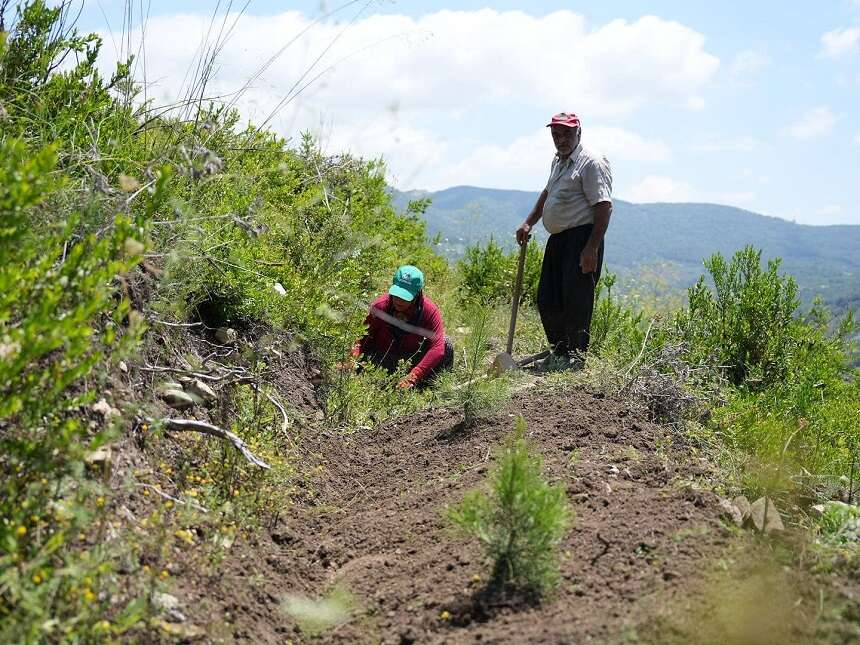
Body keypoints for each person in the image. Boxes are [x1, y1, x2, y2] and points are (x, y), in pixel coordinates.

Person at [516, 112, 613, 370]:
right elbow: (548, 192)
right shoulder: (558, 162)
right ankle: (559, 352)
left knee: (576, 300)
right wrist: (529, 221)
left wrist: (591, 248)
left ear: (579, 132)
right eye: (556, 134)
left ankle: (576, 359)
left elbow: (604, 206)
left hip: (582, 238)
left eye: (567, 133)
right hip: (558, 239)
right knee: (548, 298)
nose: (561, 139)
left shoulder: (591, 162)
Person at [347, 265, 453, 388]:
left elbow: (437, 347)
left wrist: (412, 377)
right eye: (396, 294)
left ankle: (432, 388)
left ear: (418, 294)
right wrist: (352, 361)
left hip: (409, 361)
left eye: (405, 296)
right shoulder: (380, 306)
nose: (398, 300)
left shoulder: (429, 311)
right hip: (381, 358)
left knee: (446, 343)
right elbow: (361, 337)